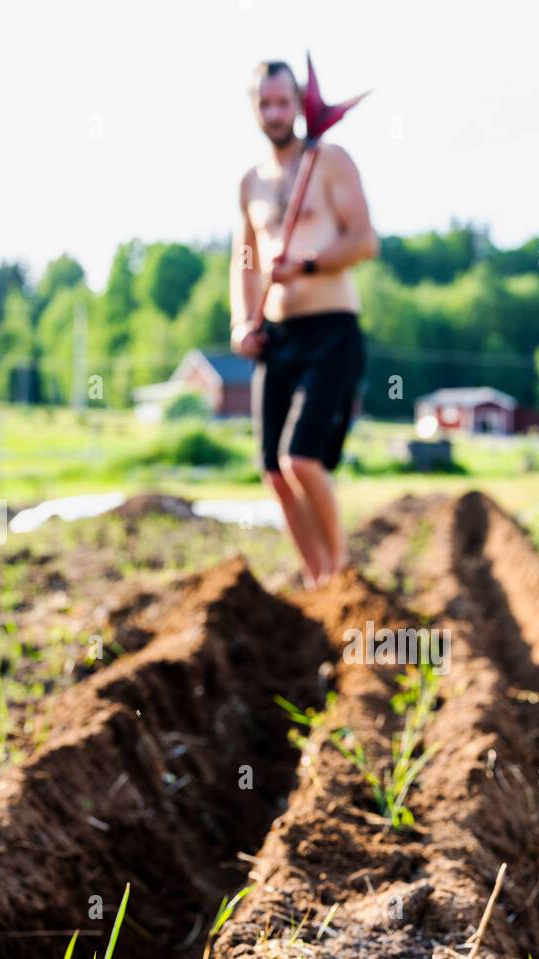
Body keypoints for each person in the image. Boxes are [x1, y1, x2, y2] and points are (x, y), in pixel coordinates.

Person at [230, 59, 378, 585]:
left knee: (302, 460)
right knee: (273, 469)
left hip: (331, 328)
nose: (273, 113)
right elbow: (244, 260)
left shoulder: (330, 161)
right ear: (254, 109)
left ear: (298, 105)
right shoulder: (250, 182)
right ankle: (317, 578)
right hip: (278, 337)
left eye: (282, 102)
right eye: (263, 104)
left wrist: (308, 266)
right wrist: (242, 322)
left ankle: (340, 574)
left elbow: (365, 240)